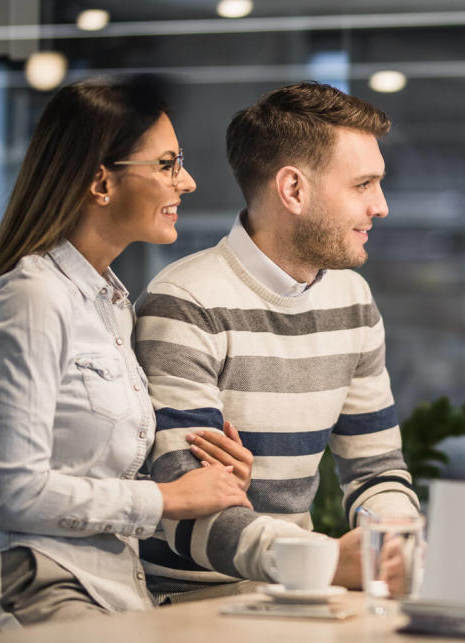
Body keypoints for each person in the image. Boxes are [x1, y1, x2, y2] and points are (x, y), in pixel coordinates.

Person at [0, 76, 255, 633]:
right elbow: (16, 495)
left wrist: (208, 481)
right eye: (166, 164)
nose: (187, 181)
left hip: (107, 593)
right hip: (30, 583)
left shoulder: (110, 303)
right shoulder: (35, 296)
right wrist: (166, 498)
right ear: (100, 182)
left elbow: (92, 474)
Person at [133, 81, 420, 595]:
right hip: (194, 607)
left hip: (301, 595)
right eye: (363, 185)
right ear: (293, 190)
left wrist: (396, 542)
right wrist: (324, 561)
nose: (381, 206)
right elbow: (186, 508)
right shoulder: (184, 302)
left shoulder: (352, 301)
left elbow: (376, 469)